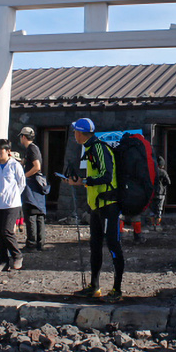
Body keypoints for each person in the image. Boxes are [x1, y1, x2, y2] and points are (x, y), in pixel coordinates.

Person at [65, 118, 124, 303]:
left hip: (108, 206)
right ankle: (94, 286)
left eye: (75, 131)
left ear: (81, 133)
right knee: (95, 246)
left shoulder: (99, 148)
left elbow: (106, 176)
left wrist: (83, 181)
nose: (74, 134)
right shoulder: (91, 149)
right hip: (97, 207)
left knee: (114, 246)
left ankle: (117, 289)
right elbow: (98, 176)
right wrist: (82, 180)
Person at [0, 139, 26, 271]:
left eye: (1, 150)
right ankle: (3, 260)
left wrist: (14, 195)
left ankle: (17, 255)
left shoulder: (15, 165)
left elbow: (22, 183)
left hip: (12, 203)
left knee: (7, 231)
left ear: (8, 151)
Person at [19, 127, 48, 251]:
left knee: (31, 213)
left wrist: (24, 176)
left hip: (32, 185)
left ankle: (31, 243)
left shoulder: (31, 149)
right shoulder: (32, 149)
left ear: (23, 137)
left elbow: (37, 166)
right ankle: (40, 243)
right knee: (39, 214)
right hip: (37, 185)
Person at [150, 156, 171, 230]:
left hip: (152, 193)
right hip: (161, 193)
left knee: (152, 210)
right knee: (159, 210)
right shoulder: (163, 172)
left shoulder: (152, 171)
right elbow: (169, 182)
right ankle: (158, 225)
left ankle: (152, 225)